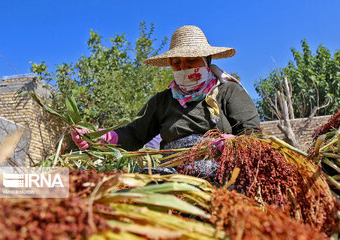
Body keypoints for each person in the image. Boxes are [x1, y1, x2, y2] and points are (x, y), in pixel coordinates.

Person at [72, 25, 260, 175]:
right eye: (176, 63)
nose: (183, 67)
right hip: (172, 171)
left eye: (190, 61)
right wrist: (102, 137)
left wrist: (229, 144)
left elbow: (251, 133)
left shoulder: (228, 91)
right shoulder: (162, 101)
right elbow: (135, 134)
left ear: (206, 60)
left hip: (221, 171)